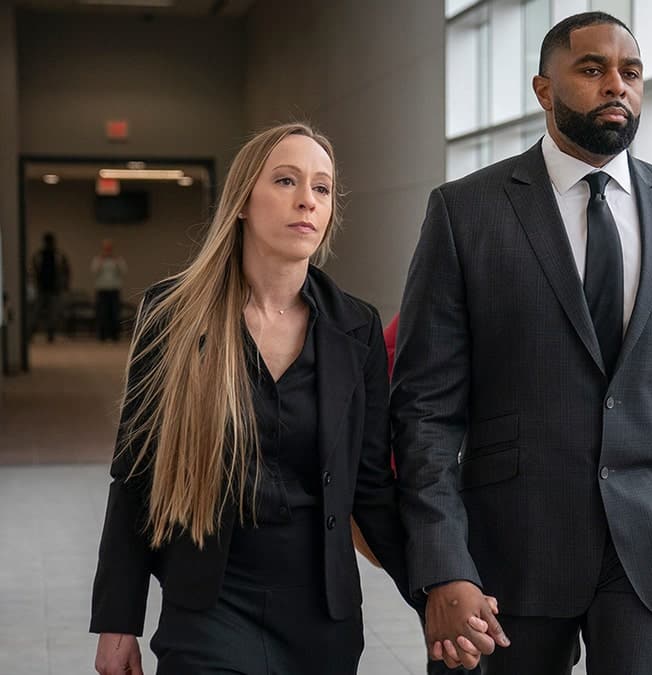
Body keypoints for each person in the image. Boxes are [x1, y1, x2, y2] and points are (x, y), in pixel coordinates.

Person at [391, 11, 652, 675]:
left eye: (630, 72)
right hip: (509, 550)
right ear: (544, 89)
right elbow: (425, 412)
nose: (617, 85)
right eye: (592, 69)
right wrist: (442, 564)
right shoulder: (466, 212)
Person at [90, 123, 412, 675]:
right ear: (241, 200)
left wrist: (437, 593)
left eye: (323, 188)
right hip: (210, 604)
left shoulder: (355, 328)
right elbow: (135, 476)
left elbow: (371, 488)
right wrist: (119, 621)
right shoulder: (171, 316)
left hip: (321, 617)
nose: (307, 200)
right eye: (286, 181)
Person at [29, 231, 70, 342]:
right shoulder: (39, 255)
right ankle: (31, 332)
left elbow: (66, 271)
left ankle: (50, 334)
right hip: (41, 288)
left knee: (53, 313)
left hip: (54, 289)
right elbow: (32, 270)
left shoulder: (58, 255)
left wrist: (64, 285)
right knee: (36, 312)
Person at [91, 239, 127, 341]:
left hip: (114, 290)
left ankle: (114, 336)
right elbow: (94, 271)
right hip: (102, 290)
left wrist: (116, 261)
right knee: (102, 313)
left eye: (109, 248)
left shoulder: (117, 259)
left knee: (114, 313)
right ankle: (102, 336)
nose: (107, 250)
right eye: (105, 248)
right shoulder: (98, 259)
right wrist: (101, 260)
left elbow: (123, 271)